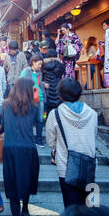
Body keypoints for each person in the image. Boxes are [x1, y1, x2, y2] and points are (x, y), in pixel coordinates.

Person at [45, 78, 97, 208]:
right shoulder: (92, 114)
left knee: (71, 208)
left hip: (66, 166)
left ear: (60, 95)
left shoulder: (55, 114)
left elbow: (50, 142)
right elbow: (93, 135)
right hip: (88, 166)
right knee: (90, 208)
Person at [0, 78, 40, 216]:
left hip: (9, 147)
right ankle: (26, 209)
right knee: (27, 178)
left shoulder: (5, 105)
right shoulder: (34, 107)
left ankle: (16, 213)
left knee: (11, 180)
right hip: (28, 147)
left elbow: (1, 125)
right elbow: (38, 121)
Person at [20, 55, 48, 147]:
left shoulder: (39, 72)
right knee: (30, 119)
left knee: (41, 119)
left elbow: (38, 83)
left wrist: (44, 84)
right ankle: (29, 139)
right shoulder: (26, 71)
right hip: (30, 98)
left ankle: (39, 140)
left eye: (41, 65)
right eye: (39, 64)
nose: (40, 66)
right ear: (33, 62)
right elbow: (20, 82)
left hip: (41, 98)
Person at [42, 49, 65, 115]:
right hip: (57, 88)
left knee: (47, 108)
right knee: (58, 108)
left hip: (47, 89)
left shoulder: (43, 65)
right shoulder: (59, 65)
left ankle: (45, 119)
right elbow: (61, 74)